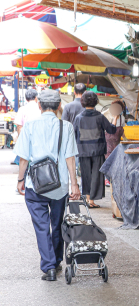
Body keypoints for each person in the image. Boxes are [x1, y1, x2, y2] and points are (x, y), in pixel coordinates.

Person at [15, 89, 81, 282]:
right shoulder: (66, 126)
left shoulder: (30, 126)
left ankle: (49, 266)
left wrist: (20, 181)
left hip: (35, 185)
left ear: (39, 105)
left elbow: (24, 159)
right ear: (59, 105)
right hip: (59, 185)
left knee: (42, 226)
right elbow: (70, 157)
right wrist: (74, 185)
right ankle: (57, 261)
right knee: (57, 223)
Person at [73, 92, 116, 208]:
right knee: (96, 175)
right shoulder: (100, 117)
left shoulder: (78, 118)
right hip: (98, 150)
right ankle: (91, 200)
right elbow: (111, 130)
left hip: (83, 150)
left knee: (86, 174)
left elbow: (74, 133)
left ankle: (88, 199)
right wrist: (115, 119)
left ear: (83, 102)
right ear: (96, 102)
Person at [11, 89, 41, 165]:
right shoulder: (40, 109)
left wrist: (21, 139)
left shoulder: (22, 109)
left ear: (26, 99)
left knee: (25, 159)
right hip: (39, 138)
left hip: (26, 138)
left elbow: (19, 126)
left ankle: (23, 175)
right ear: (36, 98)